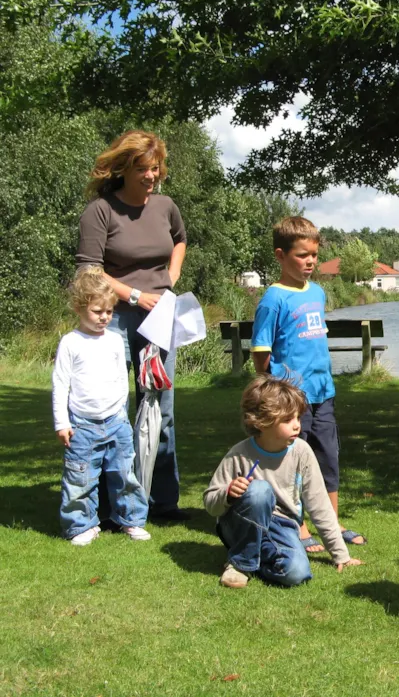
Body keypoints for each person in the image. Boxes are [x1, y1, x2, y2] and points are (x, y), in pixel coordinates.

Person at [75, 130, 188, 522]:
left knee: (160, 408)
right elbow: (90, 269)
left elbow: (179, 240)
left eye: (155, 168)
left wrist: (170, 277)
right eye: (143, 169)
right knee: (112, 408)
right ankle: (111, 503)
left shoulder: (166, 206)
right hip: (115, 317)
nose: (151, 176)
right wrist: (135, 296)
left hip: (160, 317)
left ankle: (162, 502)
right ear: (123, 168)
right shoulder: (100, 211)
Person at [250, 216, 365, 554]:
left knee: (328, 457)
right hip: (290, 400)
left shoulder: (317, 292)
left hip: (323, 393)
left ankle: (332, 521)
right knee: (294, 460)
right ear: (280, 255)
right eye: (302, 255)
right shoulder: (274, 298)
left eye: (314, 255)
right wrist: (274, 388)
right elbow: (261, 349)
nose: (310, 262)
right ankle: (296, 523)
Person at [203, 376, 362, 588]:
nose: (297, 426)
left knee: (297, 573)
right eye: (288, 420)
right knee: (259, 491)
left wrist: (340, 555)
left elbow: (319, 505)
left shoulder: (301, 451)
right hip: (239, 524)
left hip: (282, 526)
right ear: (261, 422)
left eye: (298, 417)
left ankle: (252, 557)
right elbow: (210, 503)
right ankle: (241, 563)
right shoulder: (239, 454)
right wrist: (229, 493)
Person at [53, 267, 151, 546]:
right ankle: (81, 525)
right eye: (98, 311)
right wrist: (62, 422)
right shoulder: (71, 343)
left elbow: (122, 378)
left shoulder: (114, 341)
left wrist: (122, 411)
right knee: (80, 479)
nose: (104, 317)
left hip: (115, 420)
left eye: (109, 311)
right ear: (79, 308)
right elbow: (61, 384)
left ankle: (131, 520)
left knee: (124, 474)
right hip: (82, 425)